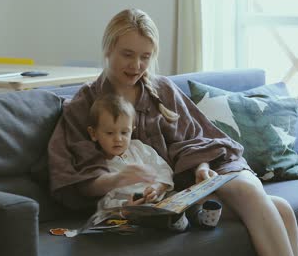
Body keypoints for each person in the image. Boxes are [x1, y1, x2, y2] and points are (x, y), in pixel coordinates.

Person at [48, 8, 298, 256]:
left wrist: (201, 167)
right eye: (127, 54)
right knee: (278, 207)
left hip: (196, 179)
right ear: (108, 49)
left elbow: (196, 138)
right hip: (155, 201)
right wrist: (120, 179)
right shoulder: (85, 104)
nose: (136, 65)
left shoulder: (162, 90)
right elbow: (77, 179)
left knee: (261, 196)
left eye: (145, 57)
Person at [87, 94, 222, 231]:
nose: (118, 139)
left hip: (164, 196)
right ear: (94, 133)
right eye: (110, 133)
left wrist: (159, 187)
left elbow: (164, 169)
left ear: (132, 131)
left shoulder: (139, 148)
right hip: (138, 208)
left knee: (182, 199)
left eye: (124, 132)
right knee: (145, 216)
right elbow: (104, 203)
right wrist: (126, 206)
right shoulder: (99, 166)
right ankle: (176, 222)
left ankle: (202, 218)